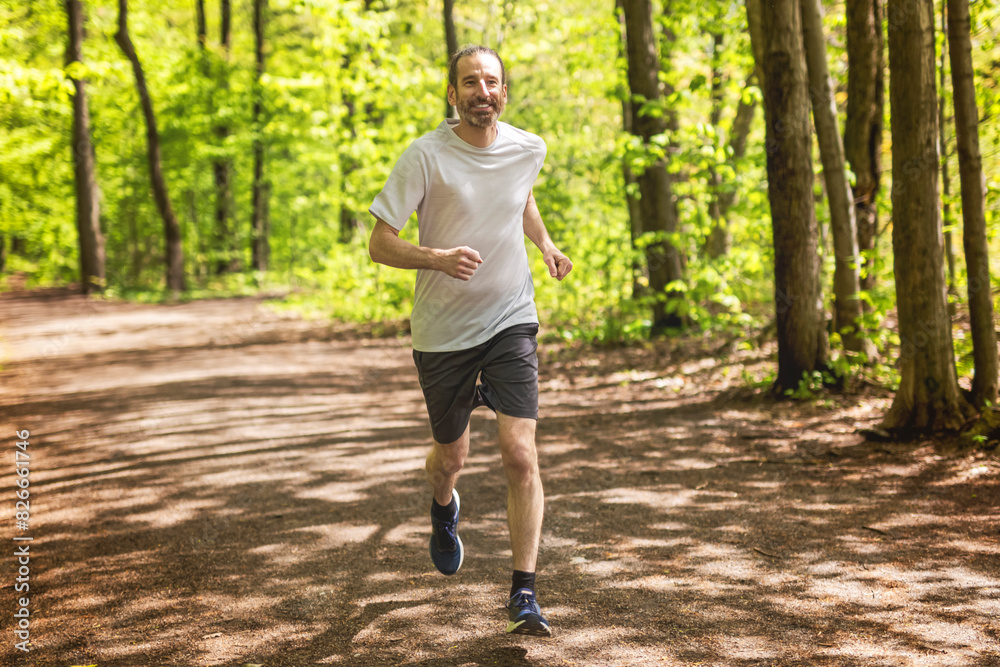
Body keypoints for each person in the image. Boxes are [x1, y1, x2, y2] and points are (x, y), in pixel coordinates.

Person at [368, 45, 571, 637]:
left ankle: (524, 594)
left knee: (519, 453)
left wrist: (546, 246)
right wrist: (436, 256)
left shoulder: (528, 147)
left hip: (511, 316)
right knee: (449, 459)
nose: (483, 91)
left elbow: (522, 198)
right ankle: (443, 505)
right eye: (470, 82)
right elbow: (380, 243)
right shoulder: (425, 157)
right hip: (444, 332)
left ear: (504, 92)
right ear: (452, 93)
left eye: (492, 81)